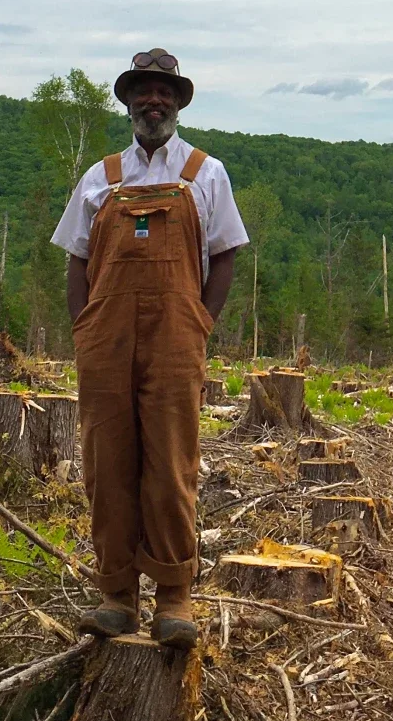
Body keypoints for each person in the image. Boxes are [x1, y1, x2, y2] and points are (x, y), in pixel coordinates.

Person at [51, 48, 247, 647]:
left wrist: (199, 323)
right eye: (142, 91)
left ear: (178, 101)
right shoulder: (100, 177)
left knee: (171, 461)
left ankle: (173, 596)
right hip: (104, 339)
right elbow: (77, 258)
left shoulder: (206, 173)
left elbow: (227, 254)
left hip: (175, 338)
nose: (152, 100)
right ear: (129, 101)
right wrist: (85, 326)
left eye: (163, 91)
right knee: (107, 460)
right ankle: (114, 593)